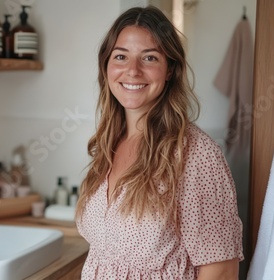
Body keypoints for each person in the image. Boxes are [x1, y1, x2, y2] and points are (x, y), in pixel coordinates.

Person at [75, 6, 244, 280]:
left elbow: (221, 271)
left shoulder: (195, 154)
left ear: (169, 70)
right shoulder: (108, 143)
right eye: (121, 56)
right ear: (106, 66)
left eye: (150, 58)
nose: (133, 71)